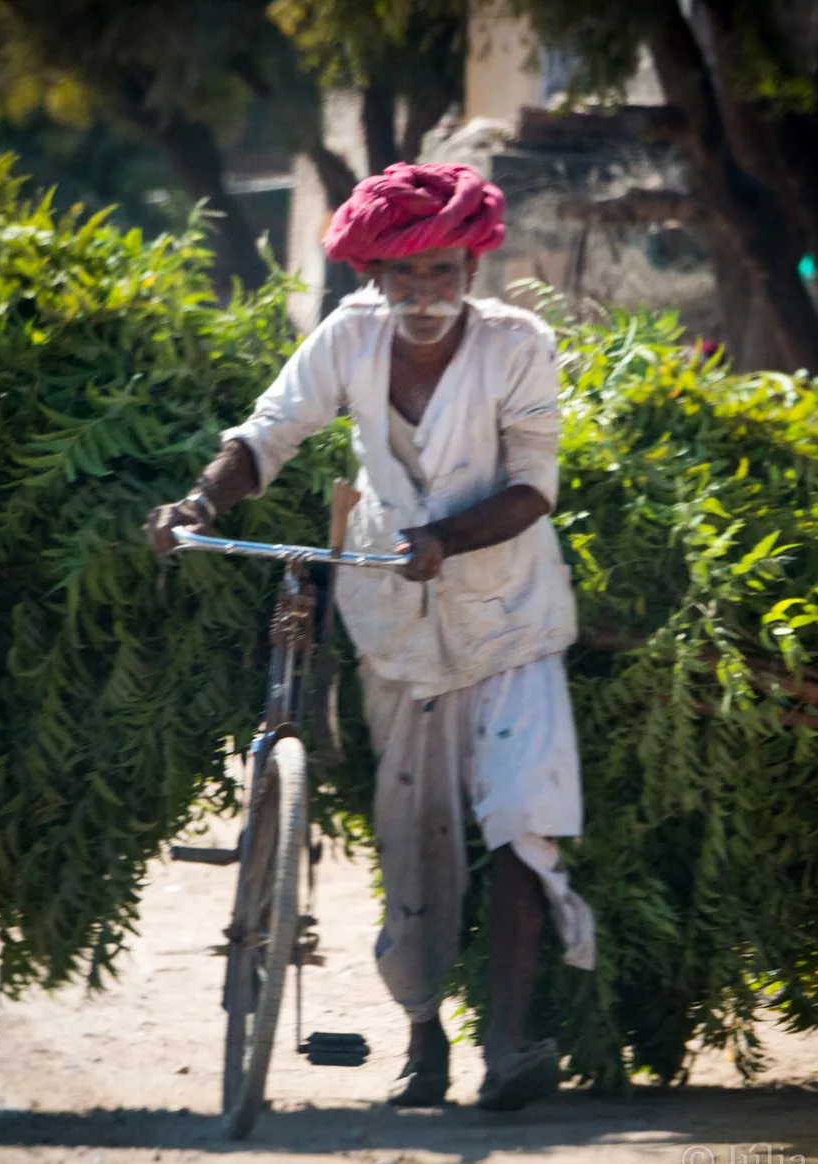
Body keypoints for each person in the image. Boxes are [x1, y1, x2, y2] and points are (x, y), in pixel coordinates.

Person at [146, 162, 594, 1111]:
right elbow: (266, 437)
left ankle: (507, 1049)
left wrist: (447, 539)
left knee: (524, 815)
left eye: (442, 273)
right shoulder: (347, 338)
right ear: (374, 277)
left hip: (511, 618)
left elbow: (534, 487)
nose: (424, 296)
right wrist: (199, 502)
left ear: (471, 271)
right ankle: (425, 1041)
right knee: (413, 837)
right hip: (394, 622)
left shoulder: (518, 345)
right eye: (404, 276)